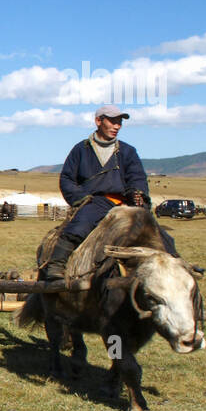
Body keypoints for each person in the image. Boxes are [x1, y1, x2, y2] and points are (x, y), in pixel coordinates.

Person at [41, 104, 172, 281]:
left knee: (159, 234)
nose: (117, 126)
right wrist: (82, 199)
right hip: (95, 201)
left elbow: (137, 177)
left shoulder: (127, 151)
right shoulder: (81, 150)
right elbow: (67, 179)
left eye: (119, 122)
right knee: (80, 226)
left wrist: (137, 193)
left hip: (126, 203)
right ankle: (56, 264)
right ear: (98, 121)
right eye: (113, 121)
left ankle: (176, 266)